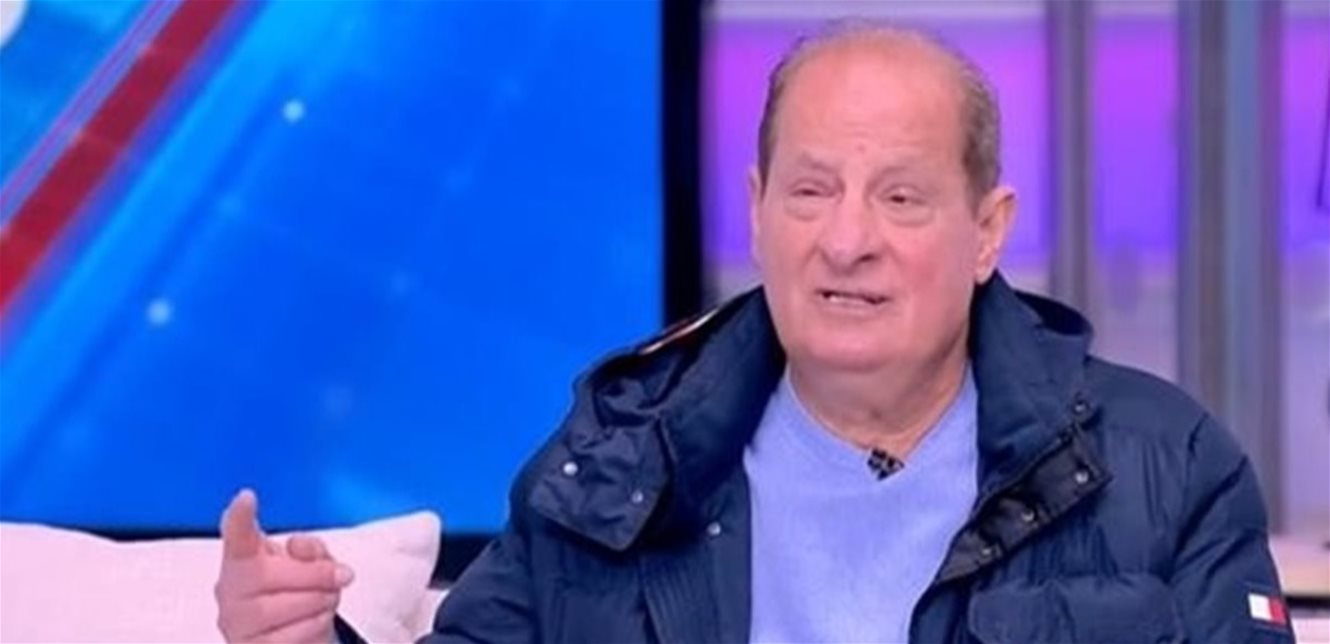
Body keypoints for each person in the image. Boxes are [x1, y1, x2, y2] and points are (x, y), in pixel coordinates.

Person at [215, 22, 1293, 643]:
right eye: (810, 191)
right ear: (758, 210)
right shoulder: (615, 465)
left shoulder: (1167, 469)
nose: (847, 241)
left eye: (902, 199)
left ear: (986, 231)